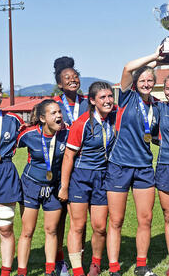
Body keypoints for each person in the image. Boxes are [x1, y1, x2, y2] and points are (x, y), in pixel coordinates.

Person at [103, 48, 161, 276]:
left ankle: (141, 265)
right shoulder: (127, 97)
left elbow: (157, 135)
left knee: (145, 219)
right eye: (143, 80)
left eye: (150, 81)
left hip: (145, 167)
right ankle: (115, 267)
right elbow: (127, 68)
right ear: (136, 83)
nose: (146, 84)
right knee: (116, 220)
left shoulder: (157, 105)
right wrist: (155, 58)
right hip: (119, 165)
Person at [58, 82, 116, 276]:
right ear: (92, 101)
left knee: (99, 227)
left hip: (102, 177)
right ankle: (77, 269)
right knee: (78, 226)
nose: (108, 101)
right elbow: (68, 156)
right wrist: (64, 187)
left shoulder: (113, 119)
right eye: (103, 97)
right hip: (81, 178)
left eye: (110, 96)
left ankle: (95, 264)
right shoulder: (82, 123)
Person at [16, 99, 69, 276]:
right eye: (53, 113)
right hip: (30, 185)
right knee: (27, 231)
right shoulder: (28, 134)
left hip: (53, 188)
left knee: (51, 230)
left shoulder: (66, 133)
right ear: (43, 118)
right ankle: (22, 271)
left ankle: (49, 271)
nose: (58, 115)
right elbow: (8, 146)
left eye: (59, 112)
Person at [53, 56, 89, 276]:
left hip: (83, 166)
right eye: (68, 78)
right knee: (59, 217)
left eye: (75, 77)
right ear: (60, 83)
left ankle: (78, 260)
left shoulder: (88, 102)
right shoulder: (53, 105)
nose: (73, 80)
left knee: (80, 219)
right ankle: (58, 260)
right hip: (58, 165)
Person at [0, 78, 24, 276]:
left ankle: (5, 271)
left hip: (4, 171)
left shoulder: (13, 120)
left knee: (5, 227)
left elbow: (34, 133)